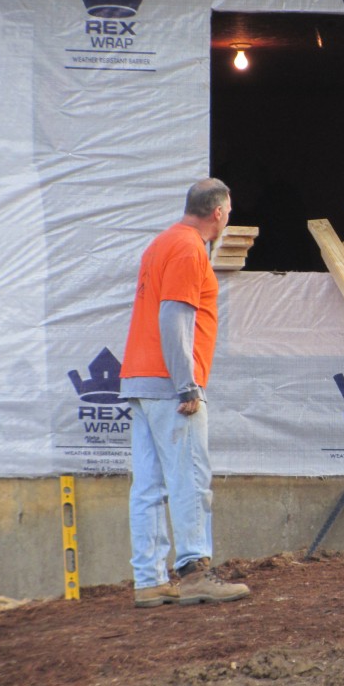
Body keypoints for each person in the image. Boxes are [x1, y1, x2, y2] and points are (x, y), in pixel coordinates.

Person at [120, 178, 251, 607]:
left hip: (141, 379)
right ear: (218, 212)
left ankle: (150, 579)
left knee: (148, 485)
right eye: (228, 212)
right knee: (190, 478)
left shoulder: (160, 243)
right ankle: (195, 571)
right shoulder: (190, 248)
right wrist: (186, 385)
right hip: (170, 384)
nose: (228, 218)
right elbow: (175, 319)